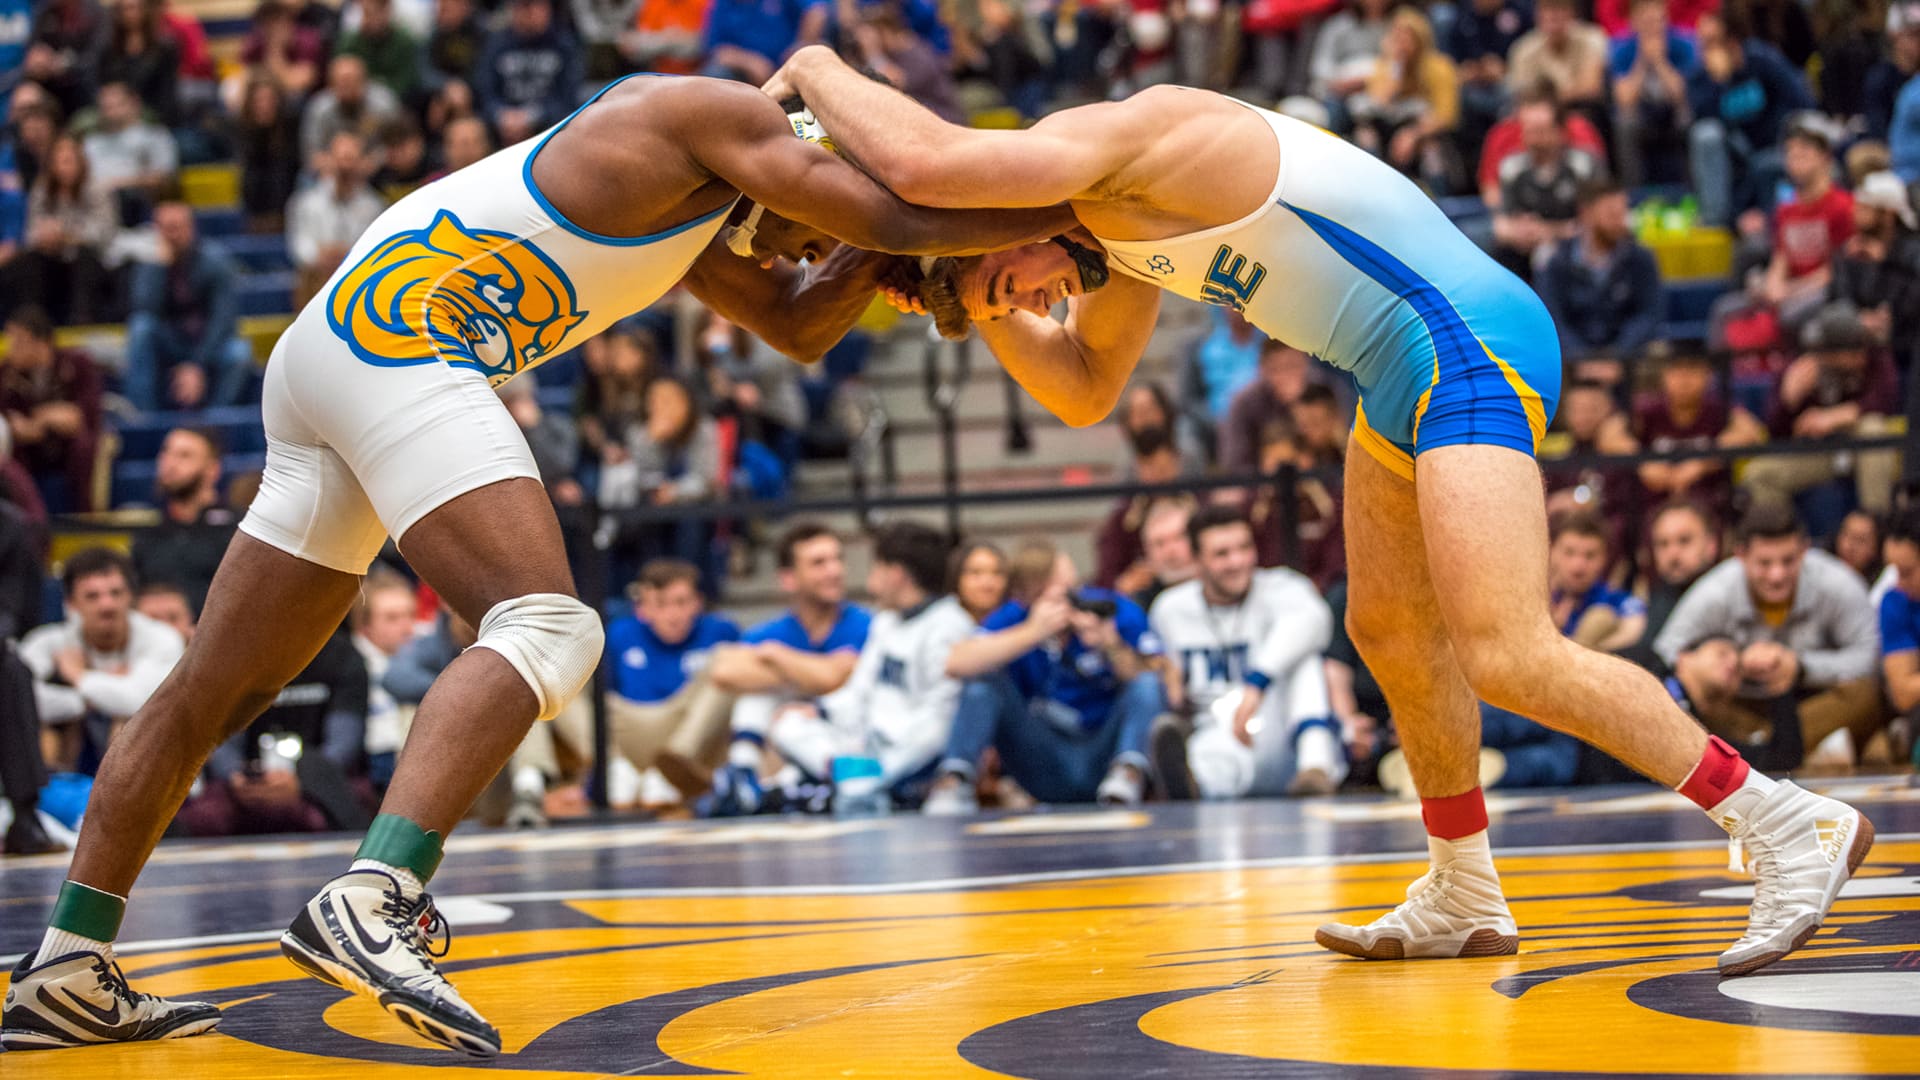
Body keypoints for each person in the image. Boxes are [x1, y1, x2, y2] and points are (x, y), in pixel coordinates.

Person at [0, 72, 1071, 1055]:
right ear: (813, 156)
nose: (792, 252)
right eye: (809, 226)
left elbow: (794, 328)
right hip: (402, 346)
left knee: (213, 690)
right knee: (548, 625)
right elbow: (893, 204)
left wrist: (864, 262)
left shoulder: (695, 198)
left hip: (333, 352)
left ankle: (66, 962)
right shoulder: (710, 114)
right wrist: (1082, 204)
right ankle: (376, 894)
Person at [773, 43, 1873, 973]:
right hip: (1396, 366)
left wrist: (816, 71)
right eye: (1011, 302)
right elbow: (1083, 388)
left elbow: (925, 160)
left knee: (1506, 651)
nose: (1037, 302)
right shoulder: (1108, 227)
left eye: (1011, 280)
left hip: (1464, 336)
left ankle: (1785, 820)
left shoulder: (1130, 139)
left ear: (998, 216)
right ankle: (1464, 890)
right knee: (1389, 631)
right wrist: (962, 283)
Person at [923, 540, 1165, 812]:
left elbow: (1158, 679)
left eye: (1062, 593)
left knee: (1146, 682)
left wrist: (1110, 645)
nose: (1058, 604)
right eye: (1044, 596)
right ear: (1026, 596)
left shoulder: (1109, 609)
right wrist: (1032, 632)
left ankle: (1129, 770)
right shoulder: (1016, 616)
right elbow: (955, 663)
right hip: (1041, 753)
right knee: (982, 681)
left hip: (1102, 749)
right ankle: (955, 781)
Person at [1654, 501, 1886, 766]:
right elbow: (1664, 656)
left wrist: (1800, 667)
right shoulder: (1715, 592)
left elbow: (1870, 657)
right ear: (1741, 556)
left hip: (1813, 703)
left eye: (1788, 561)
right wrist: (1729, 665)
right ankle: (1797, 752)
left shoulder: (1838, 583)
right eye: (1764, 563)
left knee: (1865, 694)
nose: (1777, 575)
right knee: (1692, 694)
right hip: (1739, 707)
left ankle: (1764, 753)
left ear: (1804, 551)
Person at [764, 522, 975, 804]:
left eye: (877, 568)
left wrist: (889, 767)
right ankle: (842, 779)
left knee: (911, 750)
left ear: (897, 574)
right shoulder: (886, 621)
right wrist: (821, 710)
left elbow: (940, 721)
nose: (871, 579)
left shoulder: (949, 624)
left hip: (910, 757)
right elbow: (858, 691)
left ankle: (837, 787)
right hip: (866, 747)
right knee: (789, 723)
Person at [513, 558, 738, 819]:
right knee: (556, 674)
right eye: (661, 604)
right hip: (624, 732)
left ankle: (672, 769)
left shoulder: (721, 630)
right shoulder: (619, 633)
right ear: (642, 609)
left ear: (697, 603)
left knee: (729, 663)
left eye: (681, 602)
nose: (672, 615)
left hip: (686, 732)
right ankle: (612, 767)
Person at [1150, 505, 1341, 800]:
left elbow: (1316, 621)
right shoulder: (1169, 609)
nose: (1237, 561)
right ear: (1197, 559)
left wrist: (1257, 683)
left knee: (1305, 660)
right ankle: (1195, 785)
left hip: (1283, 733)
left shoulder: (1284, 587)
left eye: (1244, 548)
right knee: (1208, 753)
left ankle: (1315, 770)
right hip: (1219, 731)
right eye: (1222, 554)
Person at [698, 522, 873, 812]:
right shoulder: (771, 630)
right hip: (790, 749)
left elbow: (833, 680)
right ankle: (744, 775)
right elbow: (724, 672)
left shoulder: (865, 624)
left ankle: (757, 784)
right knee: (758, 696)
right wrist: (811, 674)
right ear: (789, 579)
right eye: (819, 563)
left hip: (849, 738)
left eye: (837, 559)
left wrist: (779, 657)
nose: (835, 571)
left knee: (785, 714)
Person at [18, 548, 185, 774]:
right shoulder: (48, 642)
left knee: (128, 725)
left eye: (116, 593)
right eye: (92, 596)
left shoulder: (162, 638)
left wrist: (78, 675)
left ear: (131, 597)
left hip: (147, 774)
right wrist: (86, 700)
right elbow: (17, 701)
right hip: (70, 760)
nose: (107, 605)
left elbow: (139, 703)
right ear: (70, 604)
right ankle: (44, 801)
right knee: (43, 731)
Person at [1743, 303, 1902, 516]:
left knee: (1873, 429)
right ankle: (1781, 538)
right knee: (1758, 474)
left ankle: (1875, 525)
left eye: (1860, 345)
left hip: (1861, 446)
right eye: (1851, 348)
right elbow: (1775, 432)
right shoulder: (1802, 363)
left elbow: (1888, 401)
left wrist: (1839, 416)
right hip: (1818, 451)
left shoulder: (1875, 353)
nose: (1859, 354)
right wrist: (1787, 401)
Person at [1687, 8, 1815, 228]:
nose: (1708, 51)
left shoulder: (1762, 60)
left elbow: (1802, 101)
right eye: (1703, 44)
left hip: (1773, 145)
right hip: (1733, 156)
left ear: (1733, 40)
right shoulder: (1702, 78)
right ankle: (1716, 221)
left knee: (1769, 163)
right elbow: (1702, 121)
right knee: (1705, 135)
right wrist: (1720, 83)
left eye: (1714, 42)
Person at [124, 201, 256, 411]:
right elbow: (146, 307)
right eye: (166, 228)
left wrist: (197, 365)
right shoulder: (151, 265)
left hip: (207, 343)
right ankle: (143, 419)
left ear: (191, 228)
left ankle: (215, 422)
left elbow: (222, 322)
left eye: (177, 227)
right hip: (170, 342)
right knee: (141, 328)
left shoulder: (216, 263)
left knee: (239, 353)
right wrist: (161, 268)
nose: (172, 235)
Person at [1630, 350, 1764, 529]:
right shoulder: (1648, 410)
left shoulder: (1718, 408)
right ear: (1663, 375)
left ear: (1707, 375)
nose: (1684, 380)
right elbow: (1611, 435)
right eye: (1676, 371)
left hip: (1712, 508)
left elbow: (1752, 432)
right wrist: (1642, 463)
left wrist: (1700, 463)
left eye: (1692, 371)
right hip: (1654, 510)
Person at [1536, 179, 1663, 362]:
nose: (1620, 222)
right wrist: (1582, 359)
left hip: (1628, 359)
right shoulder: (1557, 263)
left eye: (1623, 213)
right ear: (1586, 213)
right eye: (1612, 214)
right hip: (1572, 362)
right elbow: (1553, 319)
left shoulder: (1640, 259)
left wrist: (1617, 355)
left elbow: (1649, 316)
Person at [1, 305, 102, 513]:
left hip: (67, 445)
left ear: (41, 342)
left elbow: (83, 418)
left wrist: (40, 420)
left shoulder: (77, 364)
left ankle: (85, 514)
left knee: (84, 445)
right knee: (8, 451)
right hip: (29, 448)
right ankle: (20, 518)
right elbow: (6, 419)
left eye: (19, 341)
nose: (12, 349)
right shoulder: (6, 373)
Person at [129, 427, 236, 617]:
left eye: (184, 455)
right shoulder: (148, 533)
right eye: (166, 452)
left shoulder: (238, 528)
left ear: (213, 469)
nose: (170, 463)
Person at [1489, 95, 1599, 278]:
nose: (1534, 140)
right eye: (1529, 131)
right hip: (1524, 253)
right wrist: (1518, 231)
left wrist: (1549, 232)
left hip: (1574, 254)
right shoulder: (1512, 166)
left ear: (1559, 131)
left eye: (1540, 131)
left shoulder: (1583, 165)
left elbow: (1596, 222)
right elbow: (1500, 224)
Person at [21, 134, 115, 325]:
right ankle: (33, 323)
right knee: (28, 261)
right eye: (60, 162)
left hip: (92, 259)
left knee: (84, 256)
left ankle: (81, 321)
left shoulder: (96, 188)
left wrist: (67, 235)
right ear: (51, 166)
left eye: (70, 161)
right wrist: (44, 237)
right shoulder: (41, 191)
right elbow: (29, 233)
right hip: (54, 258)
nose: (65, 168)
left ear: (81, 162)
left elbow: (105, 232)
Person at [286, 130, 387, 304]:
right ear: (327, 159)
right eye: (340, 158)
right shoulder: (305, 202)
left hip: (357, 279)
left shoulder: (374, 206)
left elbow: (377, 250)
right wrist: (320, 256)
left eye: (351, 159)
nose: (345, 167)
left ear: (362, 163)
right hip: (316, 278)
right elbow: (299, 245)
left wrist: (346, 256)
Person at [1609, 0, 1697, 187]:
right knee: (1624, 123)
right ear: (1633, 22)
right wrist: (1642, 61)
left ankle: (1694, 190)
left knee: (1691, 120)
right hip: (1642, 114)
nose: (1654, 27)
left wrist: (1660, 62)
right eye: (1646, 21)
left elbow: (1683, 95)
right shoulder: (1621, 49)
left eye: (1658, 20)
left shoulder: (1684, 44)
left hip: (1674, 113)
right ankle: (1634, 194)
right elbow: (1625, 100)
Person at [475, 0, 583, 144]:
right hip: (502, 123)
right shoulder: (497, 44)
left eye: (533, 6)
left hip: (550, 126)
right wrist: (500, 114)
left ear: (547, 8)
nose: (528, 13)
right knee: (468, 131)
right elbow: (485, 91)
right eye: (522, 7)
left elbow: (568, 97)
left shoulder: (565, 45)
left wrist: (532, 117)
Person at [81, 81, 177, 219]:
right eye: (106, 107)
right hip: (94, 208)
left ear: (135, 103)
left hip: (139, 207)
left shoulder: (155, 136)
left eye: (117, 105)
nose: (111, 112)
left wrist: (115, 184)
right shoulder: (91, 142)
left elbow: (163, 179)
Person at [1506, 0, 1608, 121]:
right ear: (1537, 15)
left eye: (1560, 9)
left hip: (1582, 110)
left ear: (1572, 13)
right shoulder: (1523, 49)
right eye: (1547, 9)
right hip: (1539, 115)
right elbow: (1523, 96)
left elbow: (1591, 88)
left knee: (1592, 109)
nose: (1553, 16)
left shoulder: (1592, 37)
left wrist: (1552, 97)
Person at [1219, 339, 1309, 471]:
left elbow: (1339, 450)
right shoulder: (1244, 403)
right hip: (1262, 482)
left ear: (1306, 364)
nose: (1286, 376)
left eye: (1293, 365)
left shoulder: (1326, 391)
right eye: (1277, 369)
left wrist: (1300, 406)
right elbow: (1236, 463)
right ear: (1263, 370)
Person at [299, 55, 402, 168]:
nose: (347, 88)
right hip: (331, 170)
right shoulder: (319, 108)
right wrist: (341, 167)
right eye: (341, 82)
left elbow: (396, 145)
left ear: (365, 81)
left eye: (352, 81)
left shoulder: (383, 105)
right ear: (330, 85)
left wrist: (368, 164)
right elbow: (311, 152)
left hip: (376, 168)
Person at [1130, 498, 1196, 609]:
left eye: (1179, 538)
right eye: (1159, 543)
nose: (1170, 550)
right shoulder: (1140, 605)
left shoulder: (1225, 590)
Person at [950, 540, 1009, 622]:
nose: (987, 583)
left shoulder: (1011, 617)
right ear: (957, 578)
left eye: (996, 572)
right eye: (976, 572)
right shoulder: (947, 623)